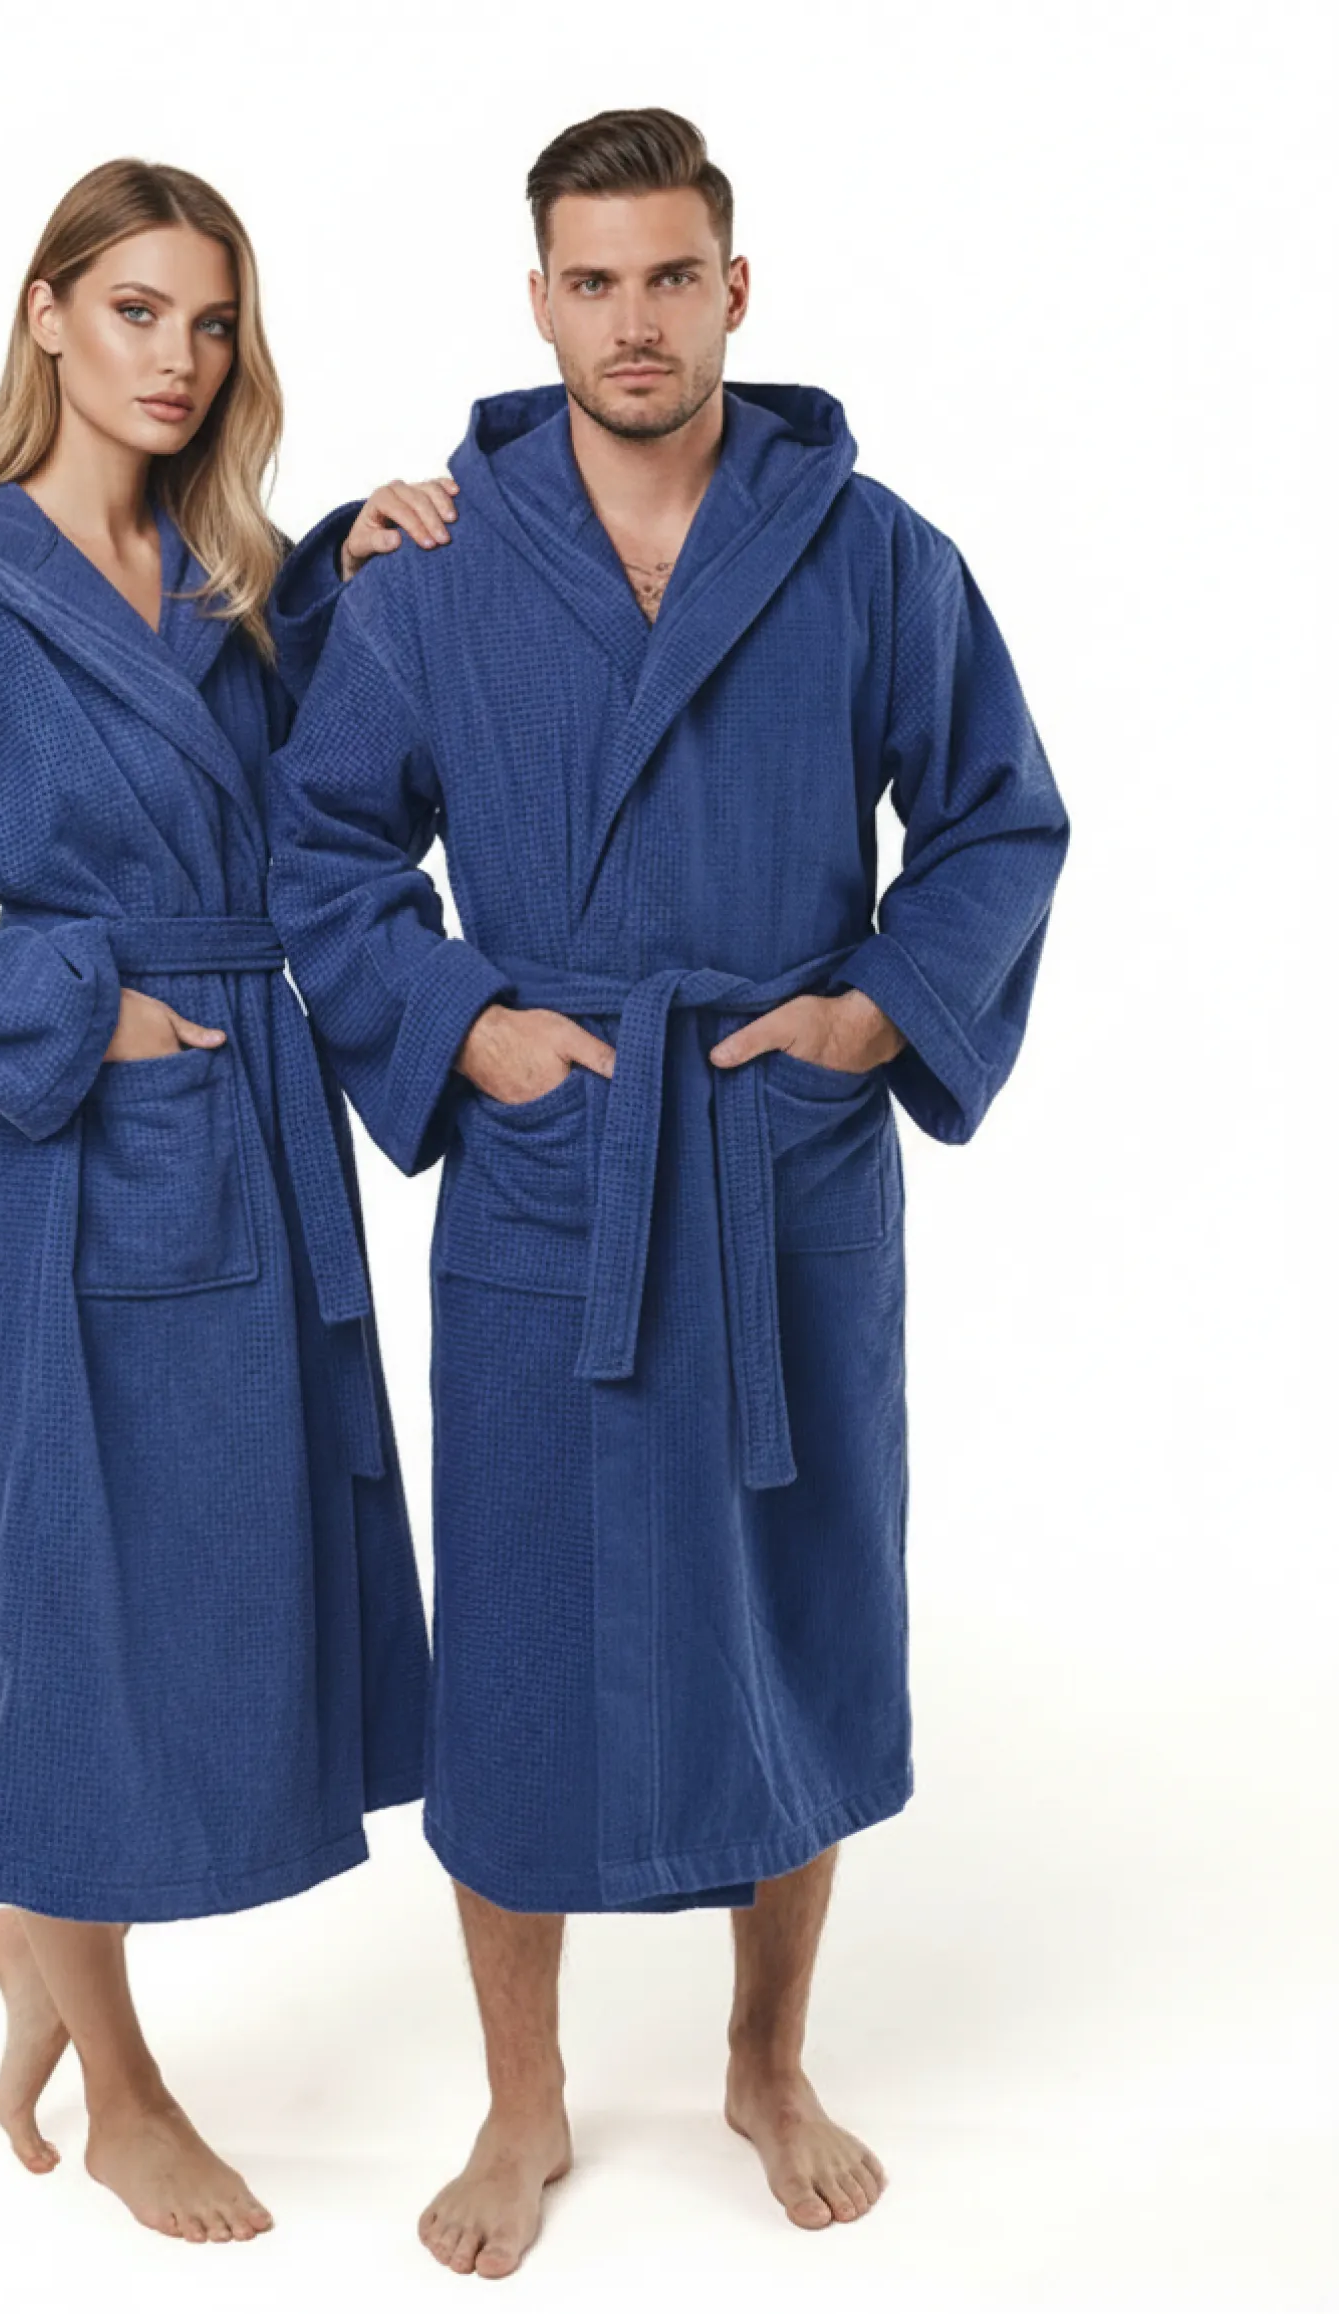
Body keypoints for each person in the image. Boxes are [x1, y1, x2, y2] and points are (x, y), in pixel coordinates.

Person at [268, 107, 1070, 2278]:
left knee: (793, 1616)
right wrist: (468, 1032)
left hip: (773, 1162)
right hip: (559, 1172)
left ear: (737, 289)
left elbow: (998, 816)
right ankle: (522, 2093)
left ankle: (767, 2058)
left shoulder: (870, 552)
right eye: (594, 281)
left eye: (672, 276)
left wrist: (875, 1013)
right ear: (538, 302)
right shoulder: (439, 568)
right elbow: (326, 850)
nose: (636, 320)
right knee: (521, 1644)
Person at [0, 156, 459, 2247]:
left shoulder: (224, 571)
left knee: (235, 1580)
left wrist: (357, 558)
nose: (181, 358)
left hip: (250, 1131)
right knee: (74, 1604)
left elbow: (303, 778)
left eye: (213, 322)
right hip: (77, 1158)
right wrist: (88, 1011)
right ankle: (125, 2084)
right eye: (139, 310)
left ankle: (38, 1942)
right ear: (48, 314)